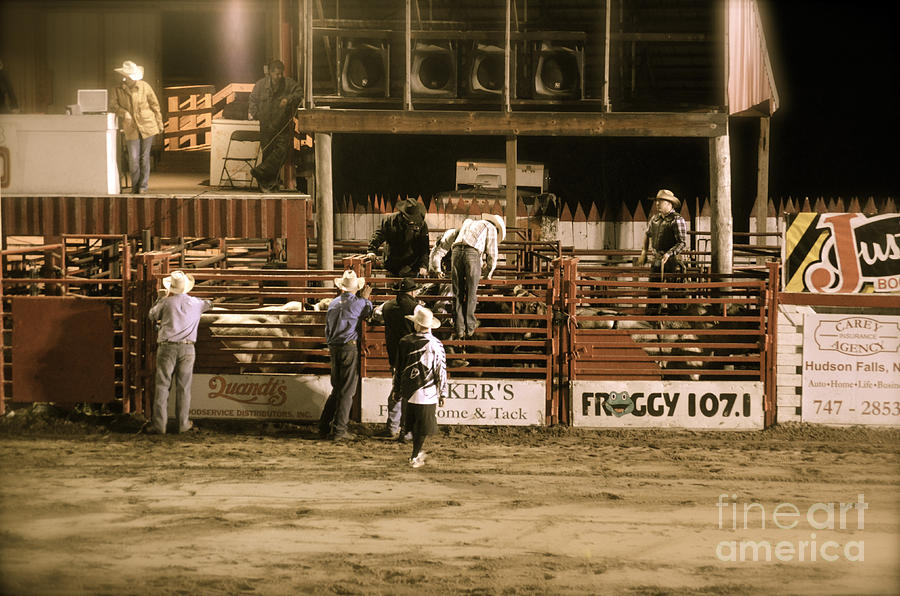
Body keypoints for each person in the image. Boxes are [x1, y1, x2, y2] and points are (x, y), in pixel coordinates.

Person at [148, 271, 212, 434]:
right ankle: (183, 424)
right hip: (188, 347)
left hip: (167, 346)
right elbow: (209, 303)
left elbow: (152, 315)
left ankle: (159, 425)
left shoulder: (166, 302)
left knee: (163, 386)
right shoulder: (196, 303)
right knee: (184, 387)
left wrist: (160, 298)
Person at [319, 269, 373, 441]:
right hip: (348, 347)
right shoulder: (359, 303)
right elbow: (368, 310)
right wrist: (365, 298)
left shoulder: (333, 303)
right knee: (347, 391)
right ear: (356, 287)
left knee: (337, 390)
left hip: (333, 347)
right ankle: (340, 430)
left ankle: (324, 425)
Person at [394, 305, 448, 468]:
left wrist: (396, 389)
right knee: (422, 427)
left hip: (409, 391)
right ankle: (415, 455)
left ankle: (414, 450)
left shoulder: (405, 341)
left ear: (416, 324)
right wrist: (443, 393)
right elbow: (441, 369)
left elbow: (398, 368)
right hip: (427, 391)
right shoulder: (436, 344)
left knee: (411, 424)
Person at [109, 60, 163, 194]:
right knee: (133, 159)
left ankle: (143, 186)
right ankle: (135, 186)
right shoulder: (117, 89)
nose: (127, 79)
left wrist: (159, 122)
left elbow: (155, 105)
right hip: (130, 127)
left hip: (147, 125)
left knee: (144, 158)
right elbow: (113, 105)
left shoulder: (145, 87)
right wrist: (124, 112)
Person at [248, 60, 302, 193]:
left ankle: (260, 171)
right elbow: (253, 99)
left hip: (281, 125)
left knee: (282, 152)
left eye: (280, 74)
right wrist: (254, 113)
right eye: (276, 74)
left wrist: (288, 99)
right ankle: (268, 184)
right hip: (266, 125)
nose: (279, 76)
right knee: (267, 154)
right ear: (270, 73)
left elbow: (300, 92)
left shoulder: (288, 84)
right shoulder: (260, 85)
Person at [450, 213, 505, 339]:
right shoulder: (490, 227)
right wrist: (488, 275)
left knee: (457, 291)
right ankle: (469, 327)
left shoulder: (470, 222)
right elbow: (492, 254)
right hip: (471, 253)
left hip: (456, 251)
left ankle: (458, 328)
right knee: (471, 291)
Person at [378, 277, 421, 439]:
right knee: (409, 393)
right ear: (411, 292)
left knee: (396, 390)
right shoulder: (416, 307)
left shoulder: (386, 306)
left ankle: (392, 426)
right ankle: (406, 430)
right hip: (411, 356)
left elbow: (376, 315)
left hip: (394, 355)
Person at [637, 189, 688, 314]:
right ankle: (652, 318)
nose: (657, 204)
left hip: (672, 260)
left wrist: (669, 253)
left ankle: (676, 319)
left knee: (674, 292)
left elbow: (682, 242)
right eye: (657, 201)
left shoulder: (677, 219)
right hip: (657, 258)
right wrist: (644, 252)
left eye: (661, 201)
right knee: (653, 290)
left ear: (669, 204)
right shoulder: (655, 219)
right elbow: (647, 234)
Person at [366, 197, 430, 277]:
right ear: (403, 214)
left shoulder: (421, 224)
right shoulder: (389, 221)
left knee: (412, 288)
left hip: (412, 266)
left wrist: (423, 265)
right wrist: (371, 250)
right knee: (391, 288)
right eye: (410, 218)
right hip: (392, 264)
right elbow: (378, 235)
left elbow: (424, 248)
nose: (412, 221)